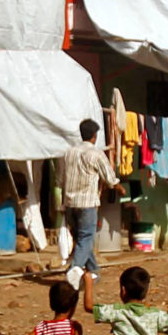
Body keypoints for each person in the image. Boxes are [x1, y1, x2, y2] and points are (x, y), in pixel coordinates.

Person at [57, 119, 112, 304]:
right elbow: (109, 177)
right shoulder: (96, 154)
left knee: (81, 239)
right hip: (87, 203)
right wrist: (117, 185)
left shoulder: (68, 153)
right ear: (94, 136)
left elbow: (60, 179)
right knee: (86, 238)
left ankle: (93, 271)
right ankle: (74, 270)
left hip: (70, 203)